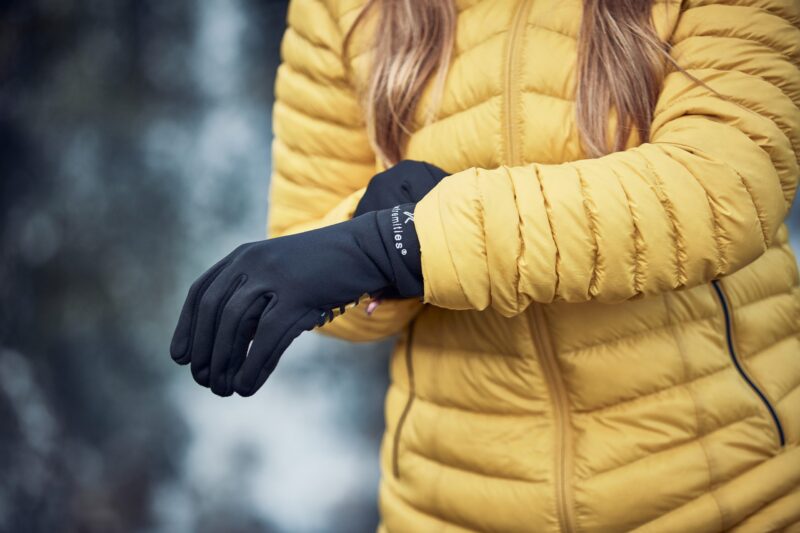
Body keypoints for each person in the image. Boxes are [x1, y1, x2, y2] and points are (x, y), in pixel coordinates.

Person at [170, 0, 800, 530]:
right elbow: (310, 257)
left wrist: (403, 243)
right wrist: (365, 228)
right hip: (445, 508)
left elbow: (722, 188)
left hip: (735, 496)